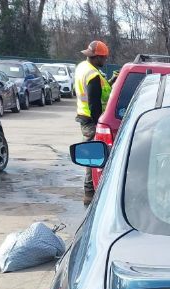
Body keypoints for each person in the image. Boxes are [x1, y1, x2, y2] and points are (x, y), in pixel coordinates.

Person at [74, 40, 113, 205]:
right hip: (91, 120)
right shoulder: (93, 75)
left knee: (93, 155)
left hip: (84, 117)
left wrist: (111, 81)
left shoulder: (83, 67)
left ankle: (90, 191)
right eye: (103, 58)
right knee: (94, 156)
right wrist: (99, 125)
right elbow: (94, 102)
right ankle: (89, 193)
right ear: (96, 57)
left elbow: (101, 93)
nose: (105, 61)